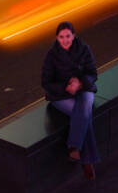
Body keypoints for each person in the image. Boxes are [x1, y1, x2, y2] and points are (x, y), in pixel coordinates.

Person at [40, 22, 98, 179]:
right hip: (61, 96)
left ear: (74, 36)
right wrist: (66, 87)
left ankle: (74, 147)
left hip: (83, 89)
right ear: (57, 38)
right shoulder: (51, 56)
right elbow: (46, 83)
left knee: (84, 106)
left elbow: (93, 73)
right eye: (61, 37)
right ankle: (87, 161)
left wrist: (80, 83)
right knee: (84, 115)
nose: (65, 40)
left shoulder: (84, 49)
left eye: (68, 36)